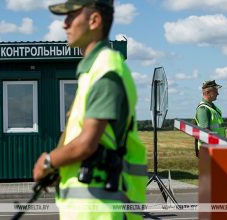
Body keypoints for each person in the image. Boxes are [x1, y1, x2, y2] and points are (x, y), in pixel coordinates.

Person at [32, 0, 147, 219]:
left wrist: (47, 163)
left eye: (71, 16)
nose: (65, 25)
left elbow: (86, 143)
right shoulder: (96, 69)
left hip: (102, 210)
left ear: (94, 20)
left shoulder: (106, 71)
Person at [194, 80, 226, 155]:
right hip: (210, 151)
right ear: (207, 92)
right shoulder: (203, 109)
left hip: (217, 149)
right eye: (215, 91)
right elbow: (204, 134)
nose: (218, 93)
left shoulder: (213, 108)